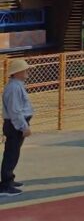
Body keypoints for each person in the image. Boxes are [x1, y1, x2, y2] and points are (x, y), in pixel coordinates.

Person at [1, 59, 33, 196]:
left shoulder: (16, 86)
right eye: (25, 70)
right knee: (11, 154)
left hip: (15, 124)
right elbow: (15, 110)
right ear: (17, 72)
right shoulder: (14, 88)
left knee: (13, 153)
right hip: (15, 125)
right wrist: (23, 126)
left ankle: (9, 180)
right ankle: (5, 185)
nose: (27, 72)